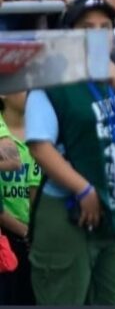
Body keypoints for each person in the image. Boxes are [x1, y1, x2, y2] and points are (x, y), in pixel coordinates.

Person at [26, 0, 115, 305]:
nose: (97, 35)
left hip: (114, 211)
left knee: (114, 300)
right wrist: (82, 188)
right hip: (66, 210)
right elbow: (39, 146)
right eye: (86, 28)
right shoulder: (51, 81)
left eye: (104, 27)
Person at [0, 90, 40, 305]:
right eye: (22, 85)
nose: (29, 91)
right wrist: (25, 232)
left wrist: (34, 233)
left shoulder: (40, 130)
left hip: (33, 240)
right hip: (6, 239)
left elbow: (37, 191)